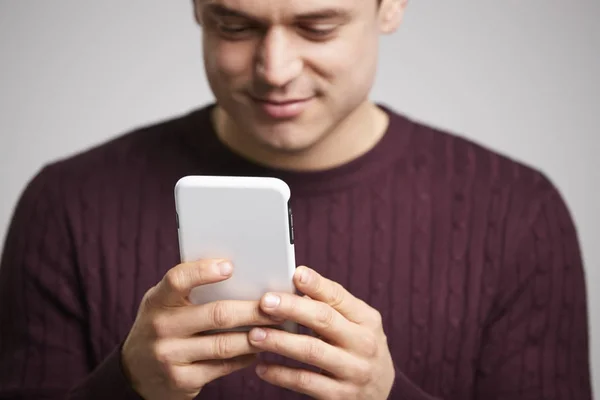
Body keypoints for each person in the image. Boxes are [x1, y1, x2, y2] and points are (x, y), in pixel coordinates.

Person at [0, 0, 592, 398]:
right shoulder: (65, 204)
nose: (275, 69)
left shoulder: (519, 212)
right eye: (235, 26)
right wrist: (127, 384)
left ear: (390, 6)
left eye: (318, 27)